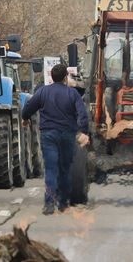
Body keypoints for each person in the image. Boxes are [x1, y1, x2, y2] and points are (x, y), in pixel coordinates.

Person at [22, 64, 89, 215]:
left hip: (49, 135)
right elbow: (82, 113)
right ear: (66, 77)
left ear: (51, 77)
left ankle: (49, 204)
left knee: (51, 169)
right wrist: (84, 131)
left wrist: (25, 118)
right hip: (67, 135)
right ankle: (63, 203)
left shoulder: (42, 92)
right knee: (65, 169)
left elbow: (29, 107)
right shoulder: (72, 94)